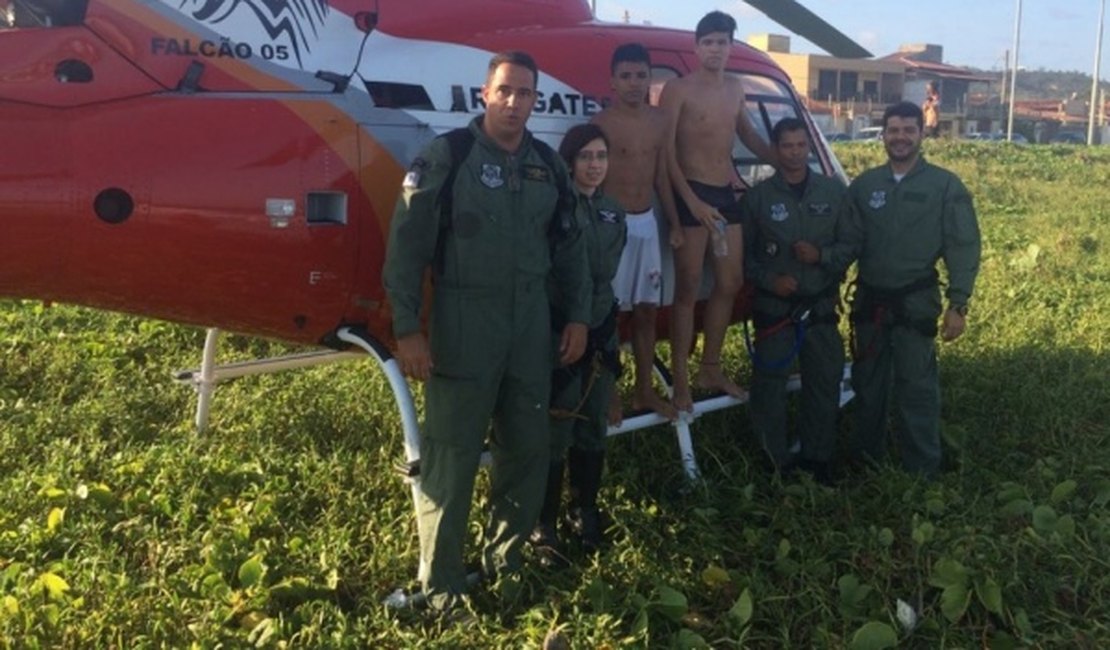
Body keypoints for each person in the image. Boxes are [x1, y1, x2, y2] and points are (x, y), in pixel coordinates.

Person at [382, 50, 590, 613]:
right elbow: (406, 250)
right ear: (484, 94)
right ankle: (442, 584)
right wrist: (408, 330)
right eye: (505, 91)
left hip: (531, 329)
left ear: (535, 100)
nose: (515, 103)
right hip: (463, 323)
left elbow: (571, 248)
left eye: (525, 94)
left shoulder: (547, 164)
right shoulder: (447, 157)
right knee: (451, 456)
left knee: (526, 448)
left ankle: (507, 565)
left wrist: (577, 316)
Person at [847, 101, 981, 478]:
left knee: (916, 388)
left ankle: (923, 470)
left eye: (909, 130)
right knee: (868, 384)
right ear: (883, 135)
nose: (900, 137)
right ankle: (866, 464)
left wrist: (959, 303)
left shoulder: (944, 185)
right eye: (893, 130)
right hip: (870, 302)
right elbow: (846, 241)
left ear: (922, 134)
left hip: (915, 303)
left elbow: (963, 245)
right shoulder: (865, 185)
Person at [659, 10, 777, 413]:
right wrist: (690, 202)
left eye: (722, 42)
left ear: (731, 46)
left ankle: (710, 367)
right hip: (690, 193)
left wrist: (785, 159)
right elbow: (666, 151)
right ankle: (680, 381)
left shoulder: (735, 88)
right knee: (688, 288)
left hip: (725, 194)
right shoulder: (678, 89)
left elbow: (746, 133)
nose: (714, 49)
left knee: (730, 281)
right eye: (707, 42)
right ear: (696, 47)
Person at [742, 118, 861, 484]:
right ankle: (773, 464)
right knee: (768, 389)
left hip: (821, 307)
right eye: (786, 146)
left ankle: (817, 461)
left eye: (800, 145)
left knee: (823, 386)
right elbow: (742, 259)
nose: (794, 153)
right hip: (776, 310)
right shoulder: (757, 198)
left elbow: (852, 245)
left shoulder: (833, 192)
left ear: (808, 147)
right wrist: (770, 280)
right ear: (775, 150)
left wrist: (821, 257)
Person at [533, 124, 627, 562]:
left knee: (592, 425)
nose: (594, 165)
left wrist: (606, 330)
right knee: (556, 427)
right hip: (560, 331)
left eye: (601, 156)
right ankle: (544, 523)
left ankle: (584, 510)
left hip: (603, 330)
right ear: (569, 162)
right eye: (586, 157)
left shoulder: (613, 212)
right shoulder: (553, 208)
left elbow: (604, 280)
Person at [591, 43, 681, 423]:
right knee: (607, 316)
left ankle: (643, 391)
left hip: (648, 224)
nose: (633, 83)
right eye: (625, 76)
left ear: (650, 79)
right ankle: (606, 395)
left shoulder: (661, 121)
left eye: (640, 76)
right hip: (612, 228)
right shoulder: (601, 125)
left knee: (646, 311)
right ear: (612, 81)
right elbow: (592, 180)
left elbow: (663, 175)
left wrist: (674, 223)